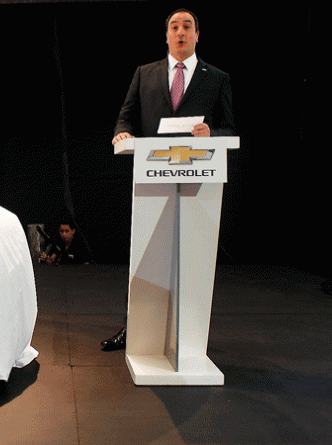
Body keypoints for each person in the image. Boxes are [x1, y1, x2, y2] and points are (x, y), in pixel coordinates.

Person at [102, 8, 237, 351]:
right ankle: (135, 328)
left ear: (197, 35)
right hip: (154, 176)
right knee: (148, 256)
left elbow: (229, 129)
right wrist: (122, 133)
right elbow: (125, 117)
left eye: (187, 26)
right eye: (174, 27)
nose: (180, 32)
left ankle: (187, 335)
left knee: (190, 258)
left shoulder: (216, 77)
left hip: (196, 180)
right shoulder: (145, 73)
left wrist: (212, 133)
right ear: (166, 36)